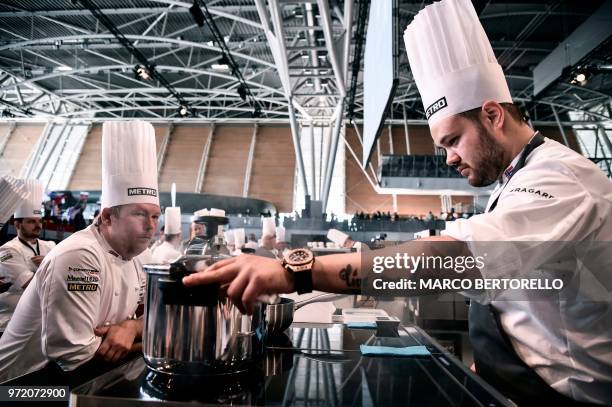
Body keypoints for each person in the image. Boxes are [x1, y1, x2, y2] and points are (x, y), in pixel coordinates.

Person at [181, 0, 612, 405]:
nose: (448, 158)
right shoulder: (512, 179)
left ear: (493, 115)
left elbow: (451, 258)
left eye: (453, 140)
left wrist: (297, 272)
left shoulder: (560, 179)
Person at [0, 121, 161, 382]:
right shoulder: (79, 255)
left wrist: (131, 327)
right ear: (107, 217)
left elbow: (156, 317)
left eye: (155, 215)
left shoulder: (140, 256)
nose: (151, 225)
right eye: (140, 214)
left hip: (78, 376)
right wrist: (152, 344)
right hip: (21, 385)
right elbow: (76, 357)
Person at [0, 180, 56, 333]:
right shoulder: (7, 250)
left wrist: (47, 263)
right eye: (31, 221)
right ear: (17, 224)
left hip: (41, 323)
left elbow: (65, 276)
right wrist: (51, 265)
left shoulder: (50, 246)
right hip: (9, 323)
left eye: (39, 221)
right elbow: (30, 285)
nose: (38, 226)